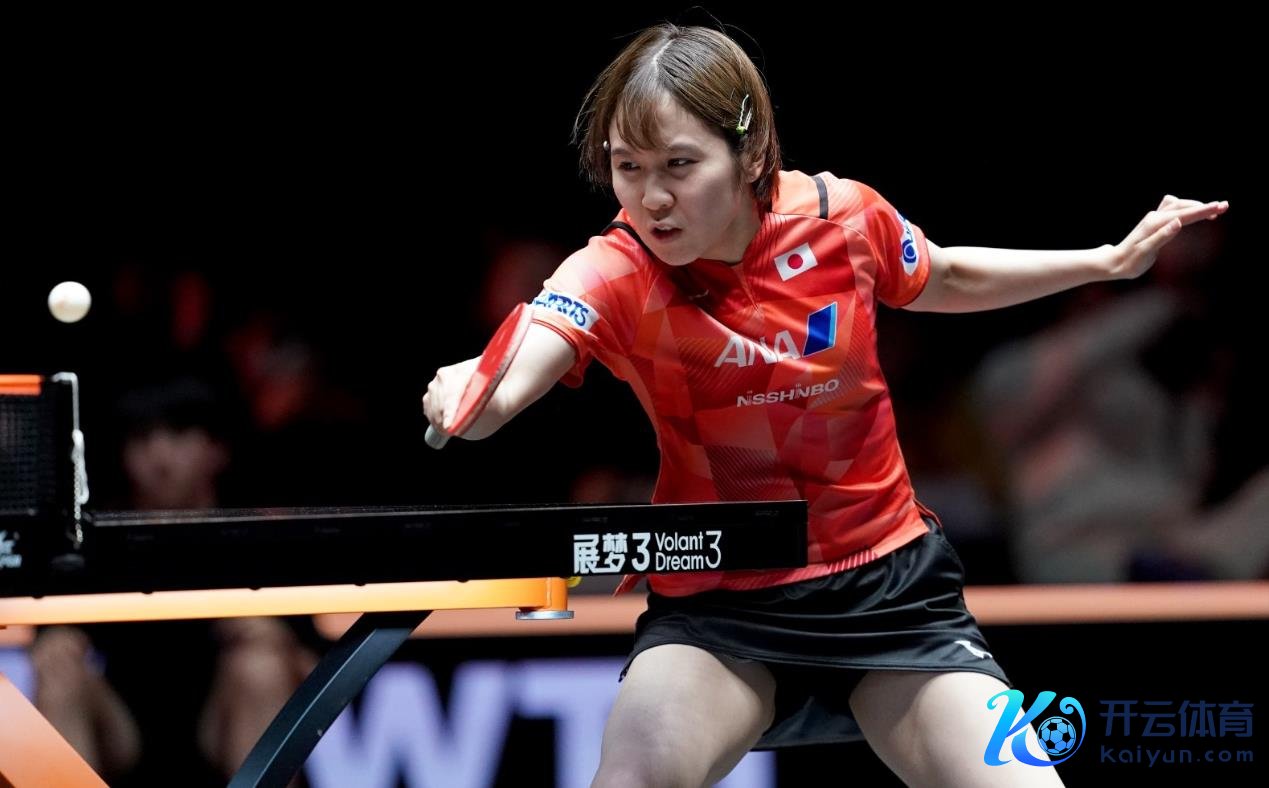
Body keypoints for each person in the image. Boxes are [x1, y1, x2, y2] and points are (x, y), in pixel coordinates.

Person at [422, 23, 1227, 787]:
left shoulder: (840, 218)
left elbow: (941, 274)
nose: (651, 197)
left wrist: (1104, 262)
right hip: (718, 607)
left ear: (748, 153)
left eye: (678, 164)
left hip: (889, 593)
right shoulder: (616, 267)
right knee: (632, 777)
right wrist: (473, 393)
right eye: (626, 167)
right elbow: (525, 363)